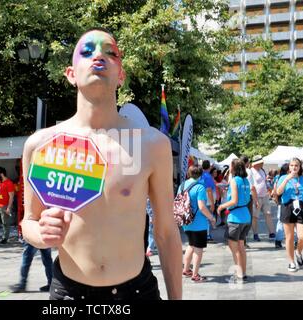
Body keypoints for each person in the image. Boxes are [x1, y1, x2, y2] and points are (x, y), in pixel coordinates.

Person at [21, 28, 182, 300]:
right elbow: (28, 223)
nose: (98, 57)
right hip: (69, 295)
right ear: (71, 74)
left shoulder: (150, 144)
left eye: (110, 53)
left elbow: (166, 232)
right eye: (87, 52)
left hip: (137, 292)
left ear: (121, 76)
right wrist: (42, 234)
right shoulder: (42, 145)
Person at [218, 159, 252, 284]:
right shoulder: (246, 180)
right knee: (241, 247)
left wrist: (221, 206)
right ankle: (243, 272)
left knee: (235, 248)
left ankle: (239, 274)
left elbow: (234, 201)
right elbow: (247, 198)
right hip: (245, 216)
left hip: (235, 217)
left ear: (233, 167)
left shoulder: (234, 180)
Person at [276, 158, 303, 272]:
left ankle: (298, 251)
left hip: (301, 208)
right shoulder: (282, 177)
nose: (294, 167)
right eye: (291, 165)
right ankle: (291, 262)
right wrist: (287, 179)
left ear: (300, 167)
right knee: (289, 237)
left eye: (296, 165)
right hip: (287, 207)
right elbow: (278, 192)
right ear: (289, 167)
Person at [181, 165, 216, 283]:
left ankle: (186, 269)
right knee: (198, 249)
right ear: (201, 175)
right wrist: (211, 217)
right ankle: (195, 275)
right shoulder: (200, 187)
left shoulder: (182, 185)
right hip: (199, 223)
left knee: (191, 245)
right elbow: (201, 207)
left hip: (186, 221)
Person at [250, 155, 275, 241]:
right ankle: (255, 234)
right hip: (256, 196)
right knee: (255, 216)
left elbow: (264, 182)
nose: (262, 164)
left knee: (268, 213)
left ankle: (272, 233)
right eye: (261, 163)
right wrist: (255, 198)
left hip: (265, 195)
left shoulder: (262, 170)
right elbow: (251, 186)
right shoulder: (251, 172)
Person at [199, 160, 216, 243]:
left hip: (202, 198)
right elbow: (209, 190)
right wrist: (213, 203)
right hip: (208, 200)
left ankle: (204, 234)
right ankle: (207, 235)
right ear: (209, 167)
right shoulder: (208, 176)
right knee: (208, 217)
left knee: (203, 217)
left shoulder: (201, 175)